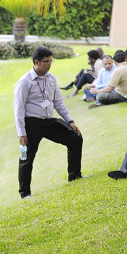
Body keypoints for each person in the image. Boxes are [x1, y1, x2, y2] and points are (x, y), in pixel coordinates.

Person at [14, 46, 83, 199]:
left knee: (75, 139)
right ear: (36, 62)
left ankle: (75, 176)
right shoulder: (24, 82)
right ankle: (25, 193)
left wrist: (70, 121)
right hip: (31, 124)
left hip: (49, 122)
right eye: (46, 61)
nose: (49, 64)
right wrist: (21, 133)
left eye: (51, 61)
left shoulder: (51, 78)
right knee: (27, 158)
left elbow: (58, 102)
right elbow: (18, 110)